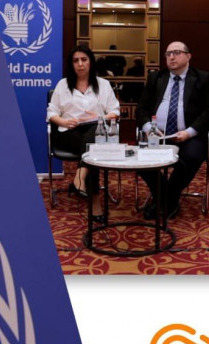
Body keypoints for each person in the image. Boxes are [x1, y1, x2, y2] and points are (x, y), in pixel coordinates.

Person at [135, 41, 209, 219]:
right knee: (138, 159)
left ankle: (165, 199)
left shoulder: (202, 78)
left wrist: (189, 132)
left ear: (188, 56)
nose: (171, 57)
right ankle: (167, 198)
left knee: (192, 157)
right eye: (168, 54)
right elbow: (141, 109)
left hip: (188, 135)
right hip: (157, 135)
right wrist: (149, 129)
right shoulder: (156, 78)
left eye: (177, 52)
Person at [47, 45, 120, 220]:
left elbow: (115, 112)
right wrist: (64, 121)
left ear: (91, 62)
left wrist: (100, 117)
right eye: (76, 61)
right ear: (71, 64)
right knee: (93, 149)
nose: (80, 64)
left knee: (94, 140)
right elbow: (51, 113)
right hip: (68, 133)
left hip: (96, 130)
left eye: (84, 60)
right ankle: (95, 204)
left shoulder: (103, 85)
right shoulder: (63, 85)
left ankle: (80, 176)